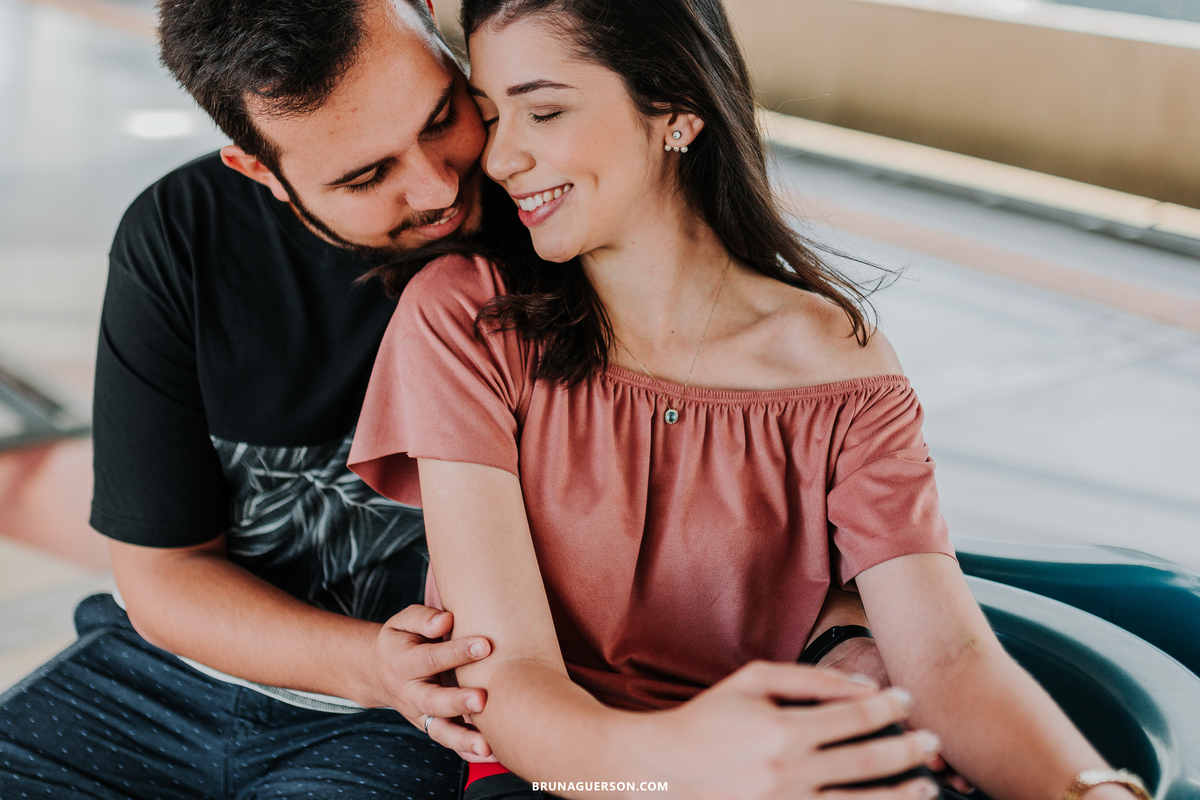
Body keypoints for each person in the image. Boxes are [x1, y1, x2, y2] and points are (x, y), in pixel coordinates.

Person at [0, 0, 894, 797]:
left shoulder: (567, 206)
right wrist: (376, 665)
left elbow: (781, 481)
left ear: (433, 16)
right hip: (165, 684)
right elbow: (162, 573)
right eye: (364, 177)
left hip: (440, 722)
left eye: (440, 118)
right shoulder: (181, 235)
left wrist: (840, 643)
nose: (437, 188)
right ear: (258, 169)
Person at [347, 1, 1156, 799]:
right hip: (563, 771)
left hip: (782, 764)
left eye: (544, 111)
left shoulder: (842, 367)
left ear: (677, 108)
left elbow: (946, 659)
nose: (500, 160)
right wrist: (702, 770)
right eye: (493, 118)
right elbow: (511, 685)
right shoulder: (465, 315)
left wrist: (1093, 791)